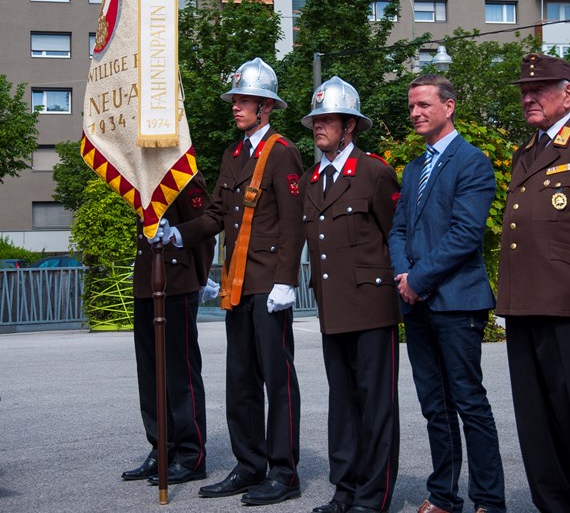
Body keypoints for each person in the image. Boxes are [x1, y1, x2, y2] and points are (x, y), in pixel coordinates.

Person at [155, 57, 304, 506]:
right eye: (236, 99)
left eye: (244, 100)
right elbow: (219, 214)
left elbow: (293, 224)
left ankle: (283, 471)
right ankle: (248, 463)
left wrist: (286, 281)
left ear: (266, 107)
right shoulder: (234, 153)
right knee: (239, 379)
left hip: (267, 284)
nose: (235, 106)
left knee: (276, 380)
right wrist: (181, 232)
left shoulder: (282, 152)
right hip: (237, 284)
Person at [388, 74, 506, 513]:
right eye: (412, 106)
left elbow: (465, 234)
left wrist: (418, 281)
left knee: (469, 403)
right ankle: (443, 496)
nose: (415, 113)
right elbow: (398, 229)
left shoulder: (471, 161)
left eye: (423, 105)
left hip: (457, 303)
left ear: (449, 106)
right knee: (434, 407)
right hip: (416, 304)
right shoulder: (416, 167)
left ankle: (490, 501)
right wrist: (404, 275)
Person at [299, 77, 401, 513]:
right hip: (332, 306)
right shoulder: (311, 179)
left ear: (349, 127)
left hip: (372, 305)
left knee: (375, 406)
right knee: (342, 405)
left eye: (328, 120)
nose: (319, 126)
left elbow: (395, 233)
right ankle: (346, 489)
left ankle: (373, 497)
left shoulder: (374, 172)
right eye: (316, 120)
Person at [497, 52, 570, 513]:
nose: (529, 98)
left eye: (539, 89)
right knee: (535, 416)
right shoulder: (528, 150)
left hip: (564, 301)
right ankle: (552, 503)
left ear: (567, 92)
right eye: (524, 91)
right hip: (525, 302)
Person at [122, 173, 217, 485]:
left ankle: (191, 454)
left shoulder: (182, 172)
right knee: (150, 374)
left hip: (177, 283)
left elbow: (205, 229)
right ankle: (161, 447)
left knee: (181, 373)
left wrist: (200, 279)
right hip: (147, 283)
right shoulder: (140, 172)